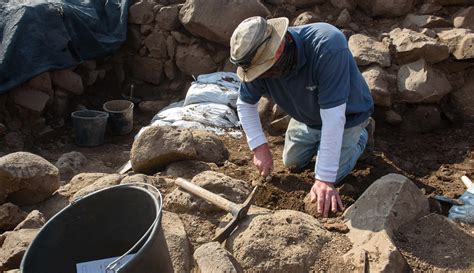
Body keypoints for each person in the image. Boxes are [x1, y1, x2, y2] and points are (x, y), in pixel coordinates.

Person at [230, 16, 374, 217]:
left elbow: (334, 118)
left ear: (278, 49)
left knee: (335, 173)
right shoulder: (254, 60)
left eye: (263, 70)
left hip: (348, 115)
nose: (262, 74)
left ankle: (361, 136)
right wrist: (259, 147)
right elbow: (245, 104)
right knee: (292, 163)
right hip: (307, 116)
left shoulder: (327, 45)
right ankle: (324, 145)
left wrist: (324, 179)